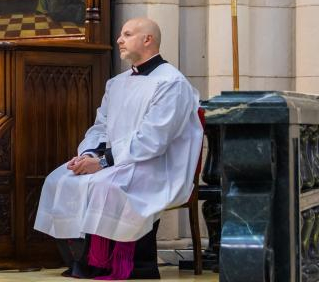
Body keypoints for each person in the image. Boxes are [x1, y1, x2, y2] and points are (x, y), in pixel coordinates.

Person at [33, 18, 203, 279]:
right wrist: (89, 154)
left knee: (107, 187)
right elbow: (100, 127)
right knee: (60, 179)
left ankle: (128, 264)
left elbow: (153, 139)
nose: (119, 40)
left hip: (156, 165)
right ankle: (83, 260)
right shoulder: (117, 83)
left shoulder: (172, 83)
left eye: (127, 34)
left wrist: (102, 163)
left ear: (148, 40)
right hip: (118, 160)